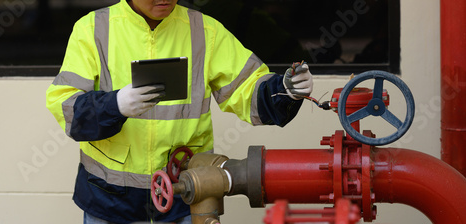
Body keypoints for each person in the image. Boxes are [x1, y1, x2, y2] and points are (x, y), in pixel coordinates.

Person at [45, 0, 313, 223]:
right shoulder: (93, 29)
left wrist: (285, 90)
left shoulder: (204, 30)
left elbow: (247, 89)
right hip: (109, 202)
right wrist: (113, 105)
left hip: (185, 197)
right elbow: (65, 106)